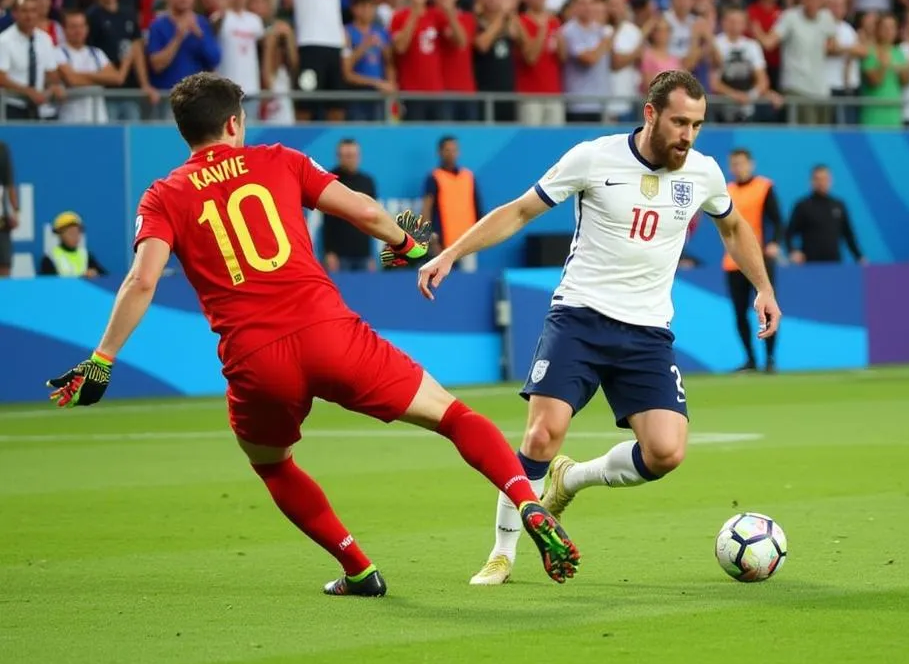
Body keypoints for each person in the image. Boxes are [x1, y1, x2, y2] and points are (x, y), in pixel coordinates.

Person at [46, 73, 579, 595]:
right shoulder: (280, 159)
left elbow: (142, 280)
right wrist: (407, 244)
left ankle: (359, 569)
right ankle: (525, 501)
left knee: (273, 466)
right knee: (454, 415)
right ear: (234, 122)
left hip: (255, 359)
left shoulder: (163, 196)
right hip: (329, 333)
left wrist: (104, 357)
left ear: (186, 131)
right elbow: (367, 212)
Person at [416, 70, 781, 585]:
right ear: (650, 113)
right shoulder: (593, 157)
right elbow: (520, 211)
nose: (688, 135)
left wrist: (763, 289)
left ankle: (573, 478)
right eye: (680, 122)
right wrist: (452, 252)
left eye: (697, 125)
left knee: (666, 452)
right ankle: (502, 552)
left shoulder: (703, 172)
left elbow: (734, 227)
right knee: (543, 434)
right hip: (580, 318)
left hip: (648, 332)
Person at [723, 149, 784, 373]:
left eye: (741, 163)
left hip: (759, 260)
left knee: (767, 309)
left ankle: (769, 359)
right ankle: (750, 359)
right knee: (740, 312)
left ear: (751, 164)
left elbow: (777, 220)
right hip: (733, 261)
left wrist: (775, 242)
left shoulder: (764, 187)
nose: (737, 168)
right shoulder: (726, 191)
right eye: (733, 164)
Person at [421, 136, 482, 267]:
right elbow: (426, 209)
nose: (451, 154)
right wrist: (432, 240)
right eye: (447, 150)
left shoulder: (468, 176)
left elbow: (477, 208)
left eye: (454, 150)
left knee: (468, 281)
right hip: (443, 243)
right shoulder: (434, 177)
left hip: (468, 240)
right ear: (439, 152)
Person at [786, 165, 865, 264]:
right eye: (817, 179)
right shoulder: (802, 206)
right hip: (809, 265)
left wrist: (859, 257)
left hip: (834, 264)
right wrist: (793, 251)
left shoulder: (839, 205)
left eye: (824, 179)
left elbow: (848, 235)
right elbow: (788, 233)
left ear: (830, 180)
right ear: (811, 181)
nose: (821, 183)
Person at [322, 139, 378, 272]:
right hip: (339, 256)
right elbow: (327, 220)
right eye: (346, 156)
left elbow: (373, 219)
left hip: (363, 254)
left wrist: (370, 254)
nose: (351, 159)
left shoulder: (367, 182)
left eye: (354, 155)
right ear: (338, 157)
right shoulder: (330, 180)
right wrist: (329, 252)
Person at [39, 210, 107, 277]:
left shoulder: (86, 255)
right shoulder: (50, 258)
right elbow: (48, 284)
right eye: (71, 232)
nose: (75, 236)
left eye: (77, 232)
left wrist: (95, 274)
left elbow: (106, 277)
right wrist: (82, 278)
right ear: (60, 235)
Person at [0, 139, 17, 277]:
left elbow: (9, 183)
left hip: (1, 219)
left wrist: (15, 211)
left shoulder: (1, 149)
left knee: (4, 264)